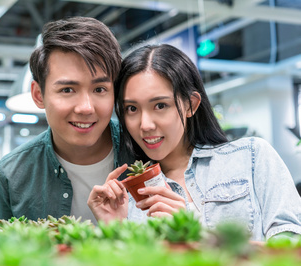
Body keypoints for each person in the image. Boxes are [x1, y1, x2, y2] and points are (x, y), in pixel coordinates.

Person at [88, 44, 301, 241]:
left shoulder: (251, 158)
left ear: (191, 105)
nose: (145, 125)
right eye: (132, 109)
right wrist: (114, 231)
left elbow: (290, 248)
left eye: (160, 105)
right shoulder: (130, 201)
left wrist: (198, 235)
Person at [0, 17, 135, 223]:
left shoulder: (145, 151)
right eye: (67, 90)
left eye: (99, 89)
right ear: (38, 95)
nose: (86, 108)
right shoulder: (12, 173)